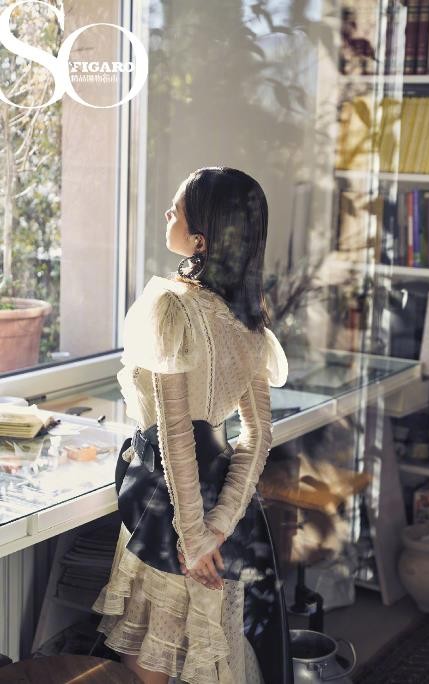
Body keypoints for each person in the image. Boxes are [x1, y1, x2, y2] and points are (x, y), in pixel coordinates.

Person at [92, 167, 293, 684]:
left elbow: (174, 435)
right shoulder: (247, 320)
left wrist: (195, 538)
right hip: (222, 505)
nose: (168, 213)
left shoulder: (171, 307)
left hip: (168, 507)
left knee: (150, 671)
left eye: (176, 209)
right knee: (207, 660)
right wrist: (220, 524)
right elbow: (257, 436)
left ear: (200, 239)